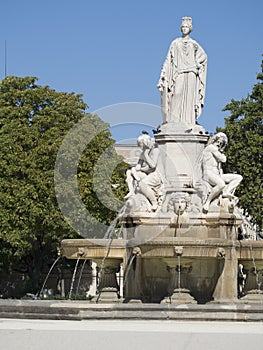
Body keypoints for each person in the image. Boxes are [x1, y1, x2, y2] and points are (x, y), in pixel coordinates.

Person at [157, 17, 207, 127]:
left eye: (186, 27)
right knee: (176, 94)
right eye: (183, 27)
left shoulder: (194, 44)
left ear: (190, 29)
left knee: (189, 97)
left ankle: (189, 122)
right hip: (178, 72)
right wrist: (162, 75)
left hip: (191, 73)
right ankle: (174, 121)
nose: (184, 29)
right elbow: (168, 60)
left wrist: (197, 63)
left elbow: (204, 56)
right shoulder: (175, 43)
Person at [202, 132, 243, 212]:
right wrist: (221, 153)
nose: (219, 144)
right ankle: (207, 202)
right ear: (214, 140)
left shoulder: (216, 150)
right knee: (221, 184)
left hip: (216, 174)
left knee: (238, 178)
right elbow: (223, 159)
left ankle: (226, 192)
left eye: (221, 143)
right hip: (208, 173)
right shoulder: (211, 148)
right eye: (218, 142)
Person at [125, 132, 162, 211]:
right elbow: (138, 166)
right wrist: (134, 170)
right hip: (148, 174)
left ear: (146, 143)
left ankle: (154, 202)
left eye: (141, 145)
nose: (141, 147)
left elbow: (153, 166)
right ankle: (131, 192)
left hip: (156, 175)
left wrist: (145, 155)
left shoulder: (155, 151)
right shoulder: (143, 153)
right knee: (129, 172)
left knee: (142, 184)